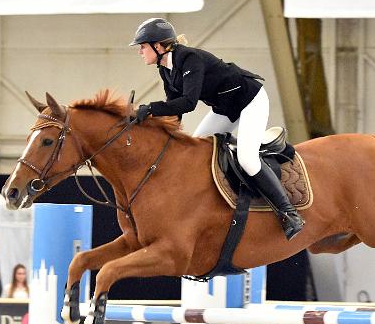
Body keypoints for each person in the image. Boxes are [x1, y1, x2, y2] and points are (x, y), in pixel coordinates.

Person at [130, 17, 304, 240]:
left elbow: (189, 103)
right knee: (192, 152)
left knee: (247, 159)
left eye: (143, 46)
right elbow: (175, 113)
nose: (140, 52)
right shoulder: (165, 70)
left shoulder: (189, 58)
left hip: (250, 101)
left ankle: (289, 214)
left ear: (159, 46)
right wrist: (148, 127)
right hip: (224, 108)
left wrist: (151, 108)